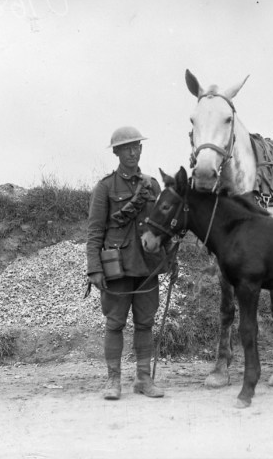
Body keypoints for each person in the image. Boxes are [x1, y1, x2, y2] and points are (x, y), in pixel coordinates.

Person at [87, 126, 177, 400]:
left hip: (148, 266)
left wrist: (171, 257)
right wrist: (94, 268)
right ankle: (113, 381)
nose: (132, 152)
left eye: (136, 146)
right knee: (114, 324)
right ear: (116, 152)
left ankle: (143, 380)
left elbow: (163, 225)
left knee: (145, 323)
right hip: (117, 267)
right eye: (126, 147)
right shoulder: (105, 187)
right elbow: (94, 232)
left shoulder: (152, 185)